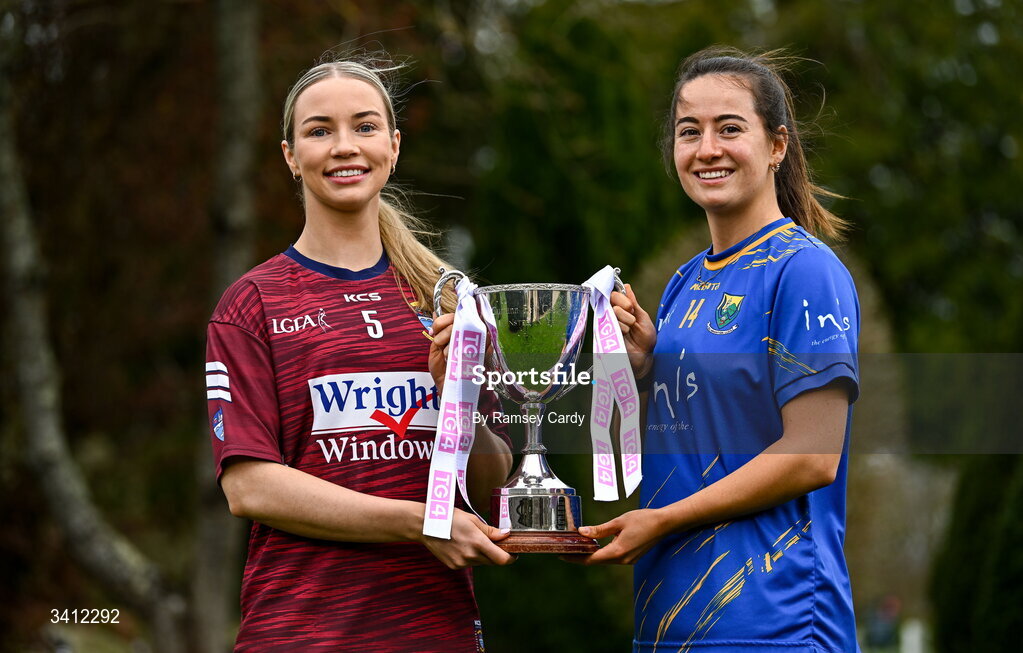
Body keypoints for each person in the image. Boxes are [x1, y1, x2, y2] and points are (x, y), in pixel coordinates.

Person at [204, 55, 514, 652]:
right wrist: (417, 521)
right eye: (320, 130)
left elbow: (491, 487)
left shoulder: (448, 297)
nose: (345, 147)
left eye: (365, 127)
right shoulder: (251, 304)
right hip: (300, 635)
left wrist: (462, 404)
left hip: (435, 632)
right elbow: (251, 488)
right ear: (291, 156)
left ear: (393, 146)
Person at [577, 47, 861, 652]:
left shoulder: (805, 271)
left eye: (730, 128)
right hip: (668, 622)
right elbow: (707, 431)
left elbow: (813, 456)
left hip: (775, 622)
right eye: (689, 132)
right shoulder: (684, 281)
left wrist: (665, 520)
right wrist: (648, 367)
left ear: (777, 145)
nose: (707, 149)